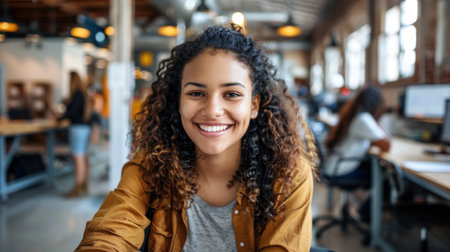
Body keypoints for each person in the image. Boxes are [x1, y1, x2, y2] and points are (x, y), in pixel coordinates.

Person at [76, 25, 317, 251]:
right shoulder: (152, 164)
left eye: (231, 94)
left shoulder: (288, 175)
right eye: (196, 93)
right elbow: (111, 231)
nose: (213, 110)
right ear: (178, 101)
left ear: (254, 105)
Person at [324, 85, 390, 221]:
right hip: (342, 170)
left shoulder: (354, 115)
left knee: (376, 168)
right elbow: (386, 145)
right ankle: (366, 214)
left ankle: (365, 211)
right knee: (385, 176)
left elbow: (371, 142)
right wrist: (377, 120)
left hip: (335, 165)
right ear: (377, 105)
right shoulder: (364, 119)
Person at [59, 71, 92, 197]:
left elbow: (71, 113)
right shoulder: (84, 94)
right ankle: (83, 185)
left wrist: (59, 118)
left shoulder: (77, 95)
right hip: (84, 128)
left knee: (78, 158)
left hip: (78, 128)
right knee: (83, 157)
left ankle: (77, 187)